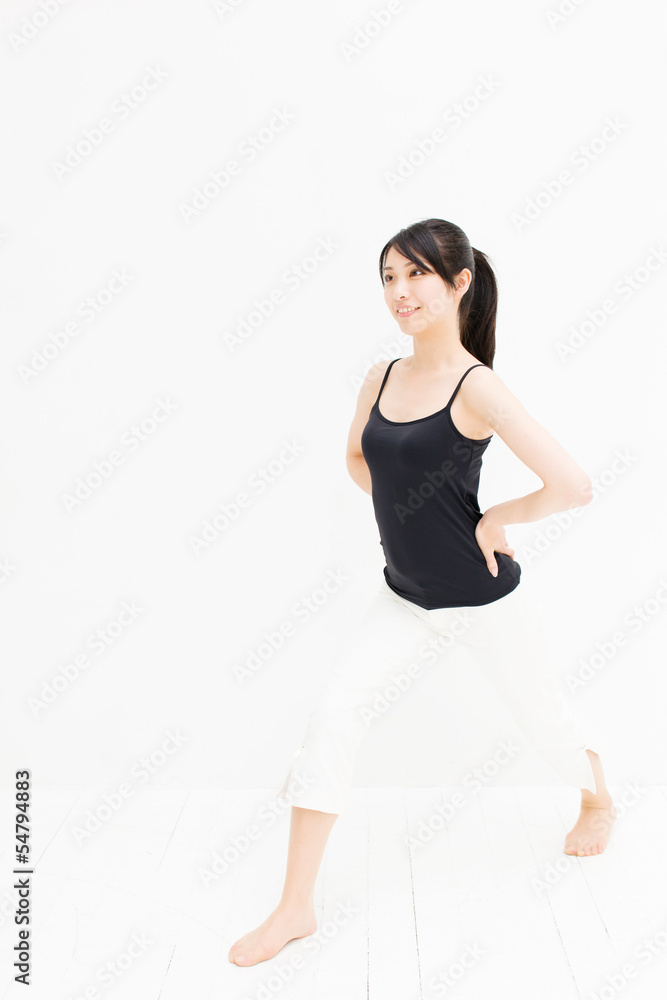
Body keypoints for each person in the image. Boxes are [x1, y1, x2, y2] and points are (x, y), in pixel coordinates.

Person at [228, 218, 616, 969]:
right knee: (332, 717)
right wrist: (406, 516)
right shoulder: (379, 377)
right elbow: (355, 455)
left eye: (416, 276)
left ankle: (597, 793)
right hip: (401, 597)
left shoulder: (478, 386)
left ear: (458, 283)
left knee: (547, 728)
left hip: (482, 601)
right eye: (387, 277)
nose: (399, 292)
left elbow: (572, 485)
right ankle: (295, 906)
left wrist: (496, 517)